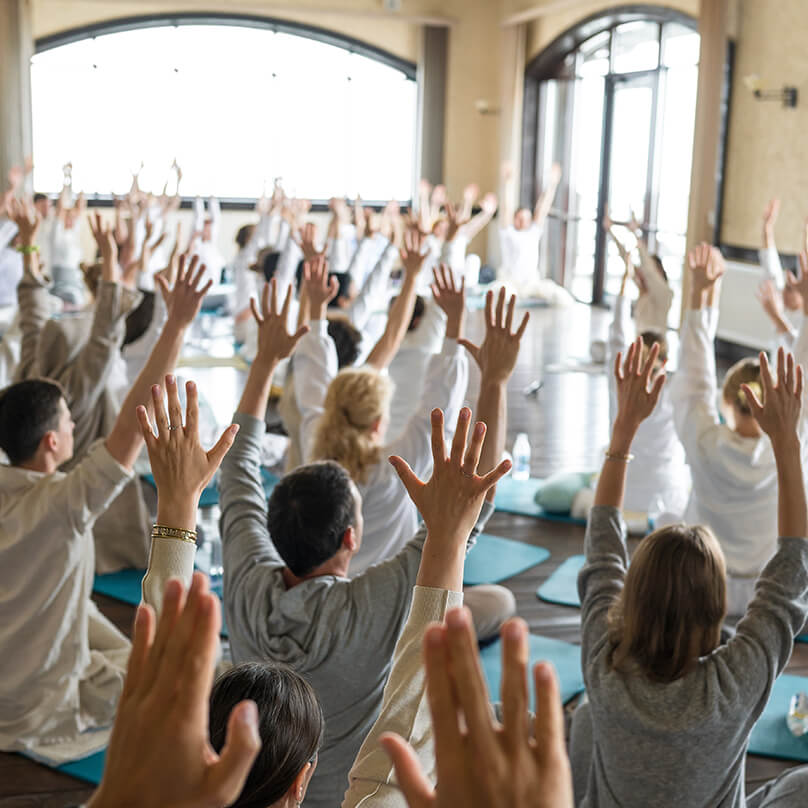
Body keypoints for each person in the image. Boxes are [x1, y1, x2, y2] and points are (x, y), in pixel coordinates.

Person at [218, 277, 512, 808]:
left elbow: (237, 468)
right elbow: (475, 505)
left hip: (253, 788)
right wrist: (494, 380)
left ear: (274, 528)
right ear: (351, 539)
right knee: (495, 610)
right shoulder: (376, 603)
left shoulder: (244, 578)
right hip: (356, 793)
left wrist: (264, 362)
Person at [570, 336, 808, 808]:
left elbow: (602, 552)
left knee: (586, 716)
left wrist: (624, 428)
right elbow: (791, 569)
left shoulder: (604, 662)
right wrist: (786, 443)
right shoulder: (735, 682)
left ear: (633, 595)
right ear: (717, 609)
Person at [0, 259, 210, 759]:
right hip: (37, 712)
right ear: (52, 442)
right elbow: (134, 425)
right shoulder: (63, 503)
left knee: (130, 646)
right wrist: (176, 325)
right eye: (68, 421)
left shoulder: (39, 494)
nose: (75, 424)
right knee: (186, 673)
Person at [671, 243, 808, 616]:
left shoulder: (703, 441)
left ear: (726, 401)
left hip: (701, 588)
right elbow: (802, 379)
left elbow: (693, 378)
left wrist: (701, 294)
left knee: (672, 519)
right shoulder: (788, 450)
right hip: (769, 594)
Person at [605, 246, 690, 521]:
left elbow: (616, 337)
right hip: (664, 497)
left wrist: (622, 284)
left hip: (620, 493)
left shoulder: (618, 382)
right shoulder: (676, 390)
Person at [498, 161, 565, 299]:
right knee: (504, 293)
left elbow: (542, 208)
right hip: (510, 283)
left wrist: (552, 184)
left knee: (559, 295)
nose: (523, 222)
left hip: (531, 284)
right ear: (514, 219)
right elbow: (506, 208)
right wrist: (507, 182)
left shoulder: (533, 233)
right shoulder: (508, 233)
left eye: (526, 219)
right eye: (520, 218)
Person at [603, 210, 674, 334]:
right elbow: (627, 260)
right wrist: (610, 231)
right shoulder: (643, 288)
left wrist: (635, 232)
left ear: (660, 272)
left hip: (655, 345)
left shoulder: (665, 293)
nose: (643, 273)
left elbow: (648, 270)